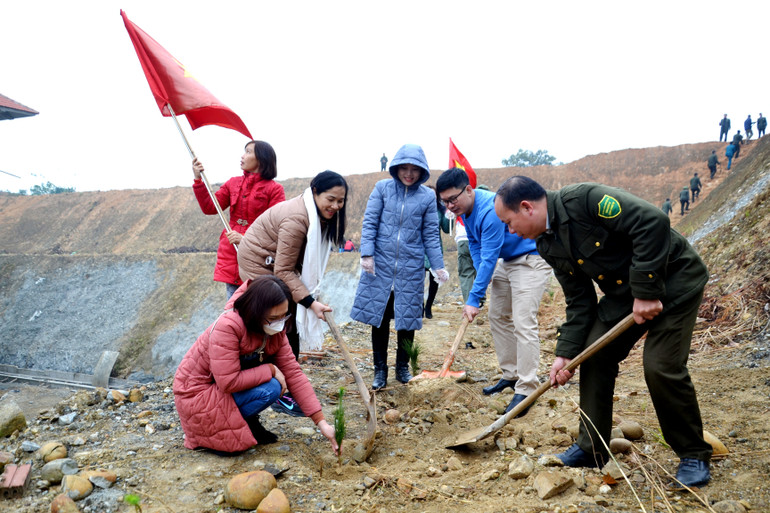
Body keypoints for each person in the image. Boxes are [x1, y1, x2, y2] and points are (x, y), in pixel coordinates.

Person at [493, 176, 712, 488]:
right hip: (626, 296)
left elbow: (652, 222)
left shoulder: (586, 200)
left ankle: (693, 453)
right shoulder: (546, 243)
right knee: (593, 355)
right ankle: (591, 447)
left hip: (674, 282)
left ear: (526, 207)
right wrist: (564, 354)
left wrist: (647, 290)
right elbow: (579, 301)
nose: (509, 231)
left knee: (660, 365)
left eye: (509, 222)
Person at [173, 275, 339, 456]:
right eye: (273, 318)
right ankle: (228, 428)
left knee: (274, 384)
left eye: (284, 316)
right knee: (271, 387)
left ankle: (246, 423)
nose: (279, 323)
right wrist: (271, 369)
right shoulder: (228, 326)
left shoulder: (275, 330)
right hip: (197, 398)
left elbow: (293, 373)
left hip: (220, 393)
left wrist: (321, 422)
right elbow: (228, 382)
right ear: (255, 311)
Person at [436, 168, 551, 417]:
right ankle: (511, 375)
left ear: (468, 190)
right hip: (506, 261)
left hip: (530, 259)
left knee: (523, 321)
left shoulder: (489, 210)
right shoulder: (465, 211)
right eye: (444, 202)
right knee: (498, 317)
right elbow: (477, 249)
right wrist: (482, 282)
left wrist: (474, 297)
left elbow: (489, 256)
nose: (449, 206)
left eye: (452, 199)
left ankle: (528, 387)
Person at [351, 144, 448, 390]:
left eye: (414, 169)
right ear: (395, 168)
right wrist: (367, 254)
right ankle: (380, 370)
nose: (409, 173)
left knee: (407, 318)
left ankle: (402, 367)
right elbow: (370, 221)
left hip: (411, 266)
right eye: (404, 168)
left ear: (422, 171)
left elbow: (430, 234)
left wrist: (437, 266)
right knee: (380, 317)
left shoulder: (427, 196)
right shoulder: (382, 188)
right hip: (380, 264)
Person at [238, 171, 348, 360]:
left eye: (340, 201)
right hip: (259, 265)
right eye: (330, 199)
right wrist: (310, 302)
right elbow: (283, 270)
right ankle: (276, 370)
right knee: (278, 319)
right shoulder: (296, 219)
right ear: (315, 192)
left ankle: (288, 370)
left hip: (276, 265)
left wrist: (308, 294)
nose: (335, 206)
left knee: (288, 319)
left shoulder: (315, 214)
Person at [192, 141, 285, 299]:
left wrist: (246, 240)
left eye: (248, 152)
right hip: (231, 253)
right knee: (234, 307)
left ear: (261, 159)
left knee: (256, 307)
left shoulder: (274, 189)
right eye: (244, 151)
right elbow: (210, 207)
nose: (242, 156)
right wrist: (198, 180)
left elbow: (276, 228)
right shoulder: (233, 183)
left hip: (257, 258)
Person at [423, 185, 451, 319]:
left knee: (434, 280)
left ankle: (428, 307)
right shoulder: (419, 208)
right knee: (417, 280)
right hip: (419, 249)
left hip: (434, 248)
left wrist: (449, 217)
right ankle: (418, 307)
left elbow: (446, 229)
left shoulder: (440, 210)